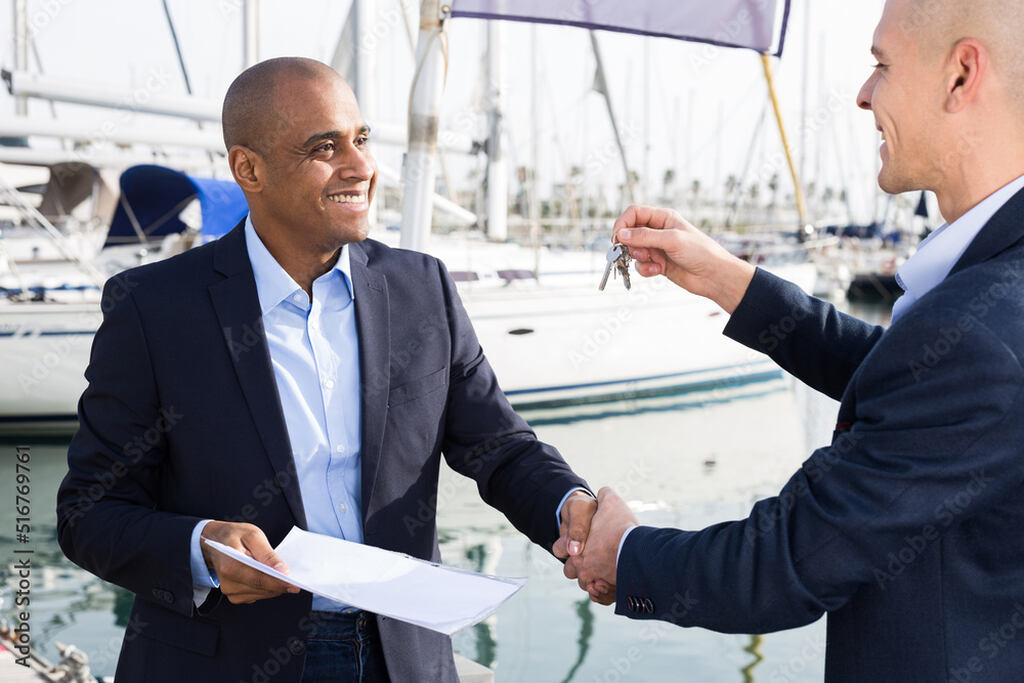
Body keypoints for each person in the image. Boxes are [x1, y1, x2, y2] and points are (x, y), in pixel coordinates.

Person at [56, 57, 597, 683]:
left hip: (406, 659)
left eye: (361, 140)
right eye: (324, 147)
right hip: (225, 662)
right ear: (248, 170)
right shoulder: (153, 308)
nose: (361, 167)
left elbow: (500, 449)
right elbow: (90, 514)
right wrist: (200, 546)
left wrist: (570, 505)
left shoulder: (422, 288)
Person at [568, 0, 1024, 680]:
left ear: (961, 76)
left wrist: (626, 553)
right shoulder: (994, 299)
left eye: (882, 65)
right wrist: (732, 282)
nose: (865, 94)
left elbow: (789, 560)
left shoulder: (979, 332)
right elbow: (907, 382)